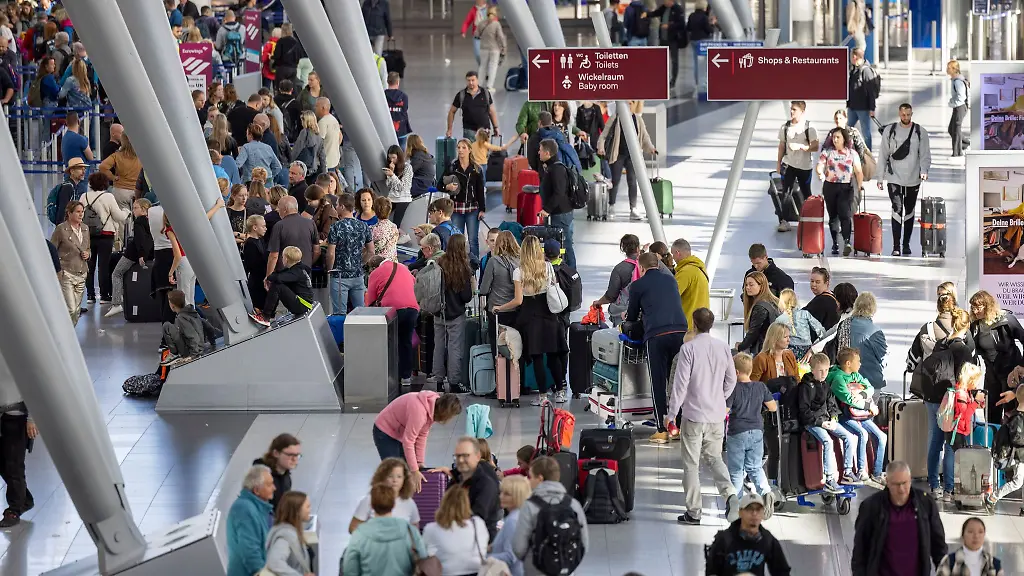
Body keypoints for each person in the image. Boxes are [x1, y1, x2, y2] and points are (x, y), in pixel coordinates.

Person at [669, 308, 740, 524]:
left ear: (694, 323)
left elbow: (680, 385)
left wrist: (671, 413)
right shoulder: (723, 348)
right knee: (715, 458)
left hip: (693, 415)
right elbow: (732, 379)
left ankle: (694, 512)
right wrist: (720, 397)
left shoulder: (688, 349)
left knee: (691, 464)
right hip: (716, 415)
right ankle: (730, 495)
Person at [492, 236, 570, 405]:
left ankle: (542, 396)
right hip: (550, 316)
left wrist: (500, 307)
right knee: (553, 356)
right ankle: (560, 392)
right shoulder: (548, 267)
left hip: (531, 319)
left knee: (537, 359)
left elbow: (518, 301)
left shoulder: (519, 272)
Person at [625, 252, 687, 443]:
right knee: (678, 381)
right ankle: (681, 425)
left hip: (656, 335)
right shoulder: (671, 280)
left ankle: (662, 429)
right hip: (679, 332)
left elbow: (632, 317)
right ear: (658, 265)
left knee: (658, 382)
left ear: (641, 268)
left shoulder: (637, 285)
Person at [916, 307, 974, 500]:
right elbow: (966, 379)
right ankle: (949, 488)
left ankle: (934, 485)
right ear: (966, 327)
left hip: (932, 398)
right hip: (950, 401)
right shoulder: (964, 350)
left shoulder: (940, 343)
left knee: (935, 440)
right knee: (950, 443)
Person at [851, 461, 947, 576]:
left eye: (904, 483)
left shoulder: (925, 504)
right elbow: (860, 550)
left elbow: (938, 544)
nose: (901, 489)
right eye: (896, 484)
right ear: (887, 482)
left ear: (910, 479)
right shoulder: (871, 507)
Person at [512, 456, 589, 576]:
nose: (528, 480)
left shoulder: (529, 505)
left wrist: (530, 562)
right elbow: (584, 543)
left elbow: (518, 547)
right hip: (566, 569)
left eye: (531, 477)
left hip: (536, 569)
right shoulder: (573, 504)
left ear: (540, 478)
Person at [372, 391, 463, 491]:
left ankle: (404, 500)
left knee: (406, 471)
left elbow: (422, 435)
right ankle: (384, 499)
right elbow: (409, 441)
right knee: (395, 472)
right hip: (384, 431)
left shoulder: (433, 405)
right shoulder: (419, 412)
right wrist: (415, 470)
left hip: (399, 432)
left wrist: (419, 462)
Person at [876, 102, 932, 256]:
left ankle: (906, 244)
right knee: (896, 209)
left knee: (909, 211)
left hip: (913, 178)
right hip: (894, 177)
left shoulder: (920, 132)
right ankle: (896, 246)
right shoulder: (890, 130)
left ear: (911, 114)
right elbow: (883, 155)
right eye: (903, 114)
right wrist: (880, 177)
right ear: (899, 114)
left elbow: (925, 154)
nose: (905, 117)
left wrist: (924, 170)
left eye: (908, 114)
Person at [726, 354, 778, 509]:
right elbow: (773, 407)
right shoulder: (760, 387)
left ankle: (736, 503)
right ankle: (766, 492)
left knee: (736, 470)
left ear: (735, 372)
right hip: (756, 432)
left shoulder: (733, 389)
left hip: (737, 433)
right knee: (755, 467)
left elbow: (725, 411)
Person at [828, 347, 887, 484]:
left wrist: (859, 393)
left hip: (860, 415)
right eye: (858, 361)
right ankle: (861, 471)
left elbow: (870, 388)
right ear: (848, 363)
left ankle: (877, 472)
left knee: (882, 437)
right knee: (863, 434)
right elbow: (849, 399)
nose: (860, 364)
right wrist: (868, 405)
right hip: (846, 416)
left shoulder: (856, 376)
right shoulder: (838, 379)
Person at [798, 353, 854, 494]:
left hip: (827, 420)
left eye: (826, 370)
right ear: (812, 370)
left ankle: (847, 471)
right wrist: (821, 423)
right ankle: (829, 479)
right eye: (820, 371)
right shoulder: (805, 387)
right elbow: (804, 411)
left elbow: (832, 405)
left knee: (848, 436)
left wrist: (834, 419)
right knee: (827, 441)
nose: (824, 374)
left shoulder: (826, 385)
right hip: (812, 422)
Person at [342, 484, 427, 576]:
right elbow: (423, 559)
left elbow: (349, 567)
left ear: (371, 505)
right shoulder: (409, 530)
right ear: (394, 504)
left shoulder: (360, 533)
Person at [596, 100, 657, 221]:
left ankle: (633, 208)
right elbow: (603, 135)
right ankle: (611, 205)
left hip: (633, 155)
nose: (628, 106)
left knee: (632, 181)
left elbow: (644, 136)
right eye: (626, 103)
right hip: (618, 154)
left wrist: (650, 148)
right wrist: (601, 147)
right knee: (616, 180)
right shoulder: (615, 118)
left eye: (630, 103)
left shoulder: (637, 119)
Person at [429, 234, 474, 394]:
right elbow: (466, 296)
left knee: (439, 346)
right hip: (456, 314)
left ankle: (438, 381)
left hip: (438, 312)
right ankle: (454, 382)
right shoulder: (463, 268)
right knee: (455, 347)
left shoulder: (440, 262)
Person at [969, 290, 1024, 421]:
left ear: (988, 306)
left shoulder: (1006, 320)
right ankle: (994, 440)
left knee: (1010, 411)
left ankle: (1011, 440)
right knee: (991, 409)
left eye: (978, 307)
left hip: (1010, 370)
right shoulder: (975, 325)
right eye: (973, 308)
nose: (975, 311)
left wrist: (1022, 365)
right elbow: (972, 350)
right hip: (991, 371)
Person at [705, 494, 791, 576]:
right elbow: (712, 571)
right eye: (749, 509)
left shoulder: (767, 539)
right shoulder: (725, 539)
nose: (754, 513)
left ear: (762, 513)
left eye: (758, 509)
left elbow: (782, 571)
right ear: (740, 512)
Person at [365, 257, 419, 386]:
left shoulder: (376, 273)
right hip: (412, 308)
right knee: (405, 341)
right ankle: (406, 377)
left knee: (388, 341)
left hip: (392, 310)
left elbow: (371, 299)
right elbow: (414, 285)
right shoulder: (403, 268)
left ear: (374, 267)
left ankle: (389, 375)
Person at [79, 172, 127, 306]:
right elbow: (118, 216)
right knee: (103, 266)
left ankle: (90, 295)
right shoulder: (108, 196)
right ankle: (105, 295)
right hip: (106, 235)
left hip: (88, 235)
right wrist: (126, 212)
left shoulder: (84, 196)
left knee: (90, 265)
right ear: (105, 183)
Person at [816, 127, 864, 256]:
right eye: (834, 137)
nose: (835, 139)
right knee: (833, 216)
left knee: (845, 214)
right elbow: (819, 165)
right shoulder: (827, 152)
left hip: (845, 187)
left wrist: (859, 186)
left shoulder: (852, 153)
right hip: (830, 186)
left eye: (838, 137)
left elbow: (858, 171)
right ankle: (835, 243)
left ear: (844, 139)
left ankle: (847, 241)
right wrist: (820, 172)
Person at [445, 437, 502, 541]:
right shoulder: (456, 481)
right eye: (457, 456)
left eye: (466, 455)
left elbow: (478, 517)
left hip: (479, 542)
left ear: (478, 456)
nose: (461, 460)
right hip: (455, 537)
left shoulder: (486, 483)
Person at [326, 193, 374, 314]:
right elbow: (371, 251)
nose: (336, 208)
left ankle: (341, 333)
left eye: (337, 205)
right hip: (357, 274)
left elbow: (331, 253)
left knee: (340, 313)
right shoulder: (363, 226)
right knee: (360, 312)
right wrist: (360, 263)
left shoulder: (336, 227)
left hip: (339, 275)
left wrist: (329, 269)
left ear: (342, 207)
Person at [106, 198, 154, 318]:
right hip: (147, 253)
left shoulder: (138, 222)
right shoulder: (152, 221)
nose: (133, 211)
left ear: (144, 209)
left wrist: (141, 254)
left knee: (117, 273)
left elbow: (140, 239)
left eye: (136, 208)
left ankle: (116, 302)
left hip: (132, 254)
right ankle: (119, 295)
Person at [776, 101, 819, 232]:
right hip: (789, 164)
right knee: (786, 192)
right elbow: (782, 146)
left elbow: (816, 145)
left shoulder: (809, 127)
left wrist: (802, 147)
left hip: (805, 166)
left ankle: (810, 219)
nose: (792, 112)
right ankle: (784, 220)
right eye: (791, 109)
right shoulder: (785, 127)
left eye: (794, 110)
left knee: (806, 193)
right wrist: (778, 163)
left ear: (802, 111)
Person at [440, 139, 486, 259]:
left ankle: (474, 266)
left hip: (472, 208)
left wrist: (482, 209)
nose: (460, 150)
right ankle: (457, 265)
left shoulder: (476, 169)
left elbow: (480, 190)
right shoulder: (452, 167)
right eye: (459, 147)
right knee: (456, 240)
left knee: (473, 240)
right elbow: (439, 185)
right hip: (456, 208)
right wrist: (447, 187)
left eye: (464, 147)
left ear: (470, 150)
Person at [226, 465, 275, 576]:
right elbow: (250, 552)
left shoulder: (259, 508)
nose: (274, 488)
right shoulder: (244, 509)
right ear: (256, 490)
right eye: (269, 484)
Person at [349, 458, 420, 533]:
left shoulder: (409, 503)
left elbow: (415, 531)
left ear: (404, 479)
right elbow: (353, 528)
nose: (394, 480)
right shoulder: (369, 500)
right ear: (382, 477)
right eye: (390, 476)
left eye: (399, 477)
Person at [536, 139, 577, 268]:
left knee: (565, 245)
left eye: (541, 150)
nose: (538, 152)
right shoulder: (551, 168)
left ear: (548, 153)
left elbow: (559, 192)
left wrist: (547, 209)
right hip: (561, 213)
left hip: (561, 214)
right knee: (564, 244)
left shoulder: (556, 169)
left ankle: (571, 272)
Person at [480, 230, 521, 359]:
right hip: (516, 309)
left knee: (497, 345)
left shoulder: (493, 261)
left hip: (496, 310)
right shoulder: (520, 261)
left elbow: (484, 289)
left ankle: (499, 376)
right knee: (514, 344)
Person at [51, 201, 90, 326]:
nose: (81, 214)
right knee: (71, 309)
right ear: (69, 213)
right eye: (78, 212)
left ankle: (68, 335)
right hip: (66, 272)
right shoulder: (61, 229)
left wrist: (88, 254)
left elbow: (88, 248)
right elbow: (52, 249)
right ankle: (64, 336)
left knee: (76, 311)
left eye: (82, 211)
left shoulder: (85, 228)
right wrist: (57, 270)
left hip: (82, 272)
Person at [986, 384, 1024, 510]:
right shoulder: (1017, 418)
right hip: (1019, 456)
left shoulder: (1015, 415)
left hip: (1020, 455)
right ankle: (993, 498)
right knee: (1017, 482)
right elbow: (1016, 438)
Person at [592, 234, 642, 326]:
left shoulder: (620, 269)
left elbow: (611, 296)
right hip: (644, 309)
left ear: (623, 249)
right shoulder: (648, 264)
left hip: (623, 311)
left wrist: (599, 302)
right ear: (638, 248)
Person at [258, 246, 314, 323]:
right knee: (277, 283)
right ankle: (268, 313)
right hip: (304, 304)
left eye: (282, 257)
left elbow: (277, 278)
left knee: (277, 286)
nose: (282, 259)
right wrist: (269, 277)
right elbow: (277, 274)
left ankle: (266, 316)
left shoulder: (296, 272)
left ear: (286, 259)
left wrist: (268, 278)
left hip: (302, 305)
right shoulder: (299, 268)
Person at [263, 491, 313, 576]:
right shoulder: (284, 537)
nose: (310, 510)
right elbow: (275, 562)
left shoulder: (291, 532)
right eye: (307, 507)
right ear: (297, 510)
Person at [266, 196, 320, 275]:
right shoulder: (310, 223)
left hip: (284, 274)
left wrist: (268, 276)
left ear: (285, 209)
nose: (277, 210)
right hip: (305, 273)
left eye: (279, 207)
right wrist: (308, 264)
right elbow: (317, 251)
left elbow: (274, 255)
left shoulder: (279, 226)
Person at [158, 289, 212, 366]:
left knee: (166, 326)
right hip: (199, 346)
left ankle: (174, 354)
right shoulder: (192, 312)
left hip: (192, 351)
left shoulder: (181, 318)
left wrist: (193, 355)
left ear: (172, 305)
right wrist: (212, 342)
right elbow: (208, 326)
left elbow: (192, 336)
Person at [847, 292, 887, 393]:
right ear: (873, 308)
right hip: (869, 382)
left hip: (847, 380)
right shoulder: (875, 332)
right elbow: (883, 358)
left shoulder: (844, 326)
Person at [935, 517, 1004, 576]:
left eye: (980, 532)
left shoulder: (993, 564)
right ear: (963, 535)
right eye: (970, 532)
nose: (976, 536)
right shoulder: (950, 561)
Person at [489, 475, 528, 576]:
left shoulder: (513, 521)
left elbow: (511, 556)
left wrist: (484, 558)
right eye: (501, 492)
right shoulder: (520, 516)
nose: (501, 496)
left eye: (507, 494)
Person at [446, 71, 500, 141]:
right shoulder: (461, 95)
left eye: (473, 80)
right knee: (471, 151)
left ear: (477, 80)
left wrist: (496, 127)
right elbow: (452, 112)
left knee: (484, 151)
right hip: (469, 131)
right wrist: (449, 129)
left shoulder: (485, 93)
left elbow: (491, 111)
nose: (471, 83)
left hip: (485, 131)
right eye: (468, 80)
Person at [736, 271, 781, 355]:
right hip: (775, 347)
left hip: (763, 349)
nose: (747, 288)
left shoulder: (760, 307)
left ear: (761, 286)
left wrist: (740, 346)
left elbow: (753, 333)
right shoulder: (774, 302)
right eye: (746, 285)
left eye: (751, 285)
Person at [670, 238, 709, 330]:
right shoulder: (699, 269)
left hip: (688, 326)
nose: (672, 258)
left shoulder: (685, 272)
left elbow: (671, 296)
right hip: (701, 325)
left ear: (678, 253)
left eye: (673, 254)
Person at [97, 132, 142, 211]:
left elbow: (102, 167)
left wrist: (113, 177)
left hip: (120, 190)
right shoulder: (142, 156)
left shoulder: (117, 155)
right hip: (137, 191)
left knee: (122, 219)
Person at [774, 289, 825, 358]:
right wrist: (818, 344)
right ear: (796, 300)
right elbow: (820, 330)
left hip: (789, 350)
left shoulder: (779, 319)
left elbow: (775, 338)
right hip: (807, 349)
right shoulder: (805, 314)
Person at [648, 0, 686, 90]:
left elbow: (681, 24)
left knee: (674, 60)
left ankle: (673, 81)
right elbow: (656, 13)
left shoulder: (678, 9)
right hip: (663, 38)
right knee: (662, 60)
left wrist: (669, 26)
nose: (664, 2)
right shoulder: (664, 8)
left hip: (673, 39)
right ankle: (662, 79)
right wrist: (647, 14)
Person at [846, 49, 878, 152]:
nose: (850, 58)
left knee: (866, 132)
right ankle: (847, 150)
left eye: (851, 56)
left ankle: (868, 153)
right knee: (847, 129)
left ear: (855, 57)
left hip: (863, 108)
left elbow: (871, 91)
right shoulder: (854, 69)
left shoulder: (866, 71)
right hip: (852, 106)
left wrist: (872, 108)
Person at [164, 213, 197, 308]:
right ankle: (193, 320)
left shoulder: (170, 231)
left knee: (183, 297)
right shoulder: (185, 226)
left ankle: (185, 321)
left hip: (183, 262)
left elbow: (177, 255)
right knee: (190, 296)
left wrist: (170, 273)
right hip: (192, 260)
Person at [476, 8, 506, 91]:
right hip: (494, 49)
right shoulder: (496, 24)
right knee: (493, 67)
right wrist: (504, 47)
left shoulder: (481, 23)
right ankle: (489, 86)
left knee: (482, 67)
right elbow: (501, 37)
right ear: (495, 15)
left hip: (483, 48)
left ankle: (479, 85)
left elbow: (476, 34)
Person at [290, 113, 326, 179]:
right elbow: (322, 156)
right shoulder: (318, 135)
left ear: (306, 121)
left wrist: (290, 164)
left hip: (303, 169)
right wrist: (324, 173)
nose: (301, 123)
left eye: (302, 120)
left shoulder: (304, 133)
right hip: (314, 169)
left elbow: (296, 150)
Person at [947, 60, 970, 158]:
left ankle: (957, 153)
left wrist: (952, 103)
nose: (947, 69)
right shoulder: (955, 80)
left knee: (956, 129)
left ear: (954, 69)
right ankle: (965, 144)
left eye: (949, 68)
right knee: (951, 129)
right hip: (958, 106)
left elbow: (961, 97)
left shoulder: (957, 81)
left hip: (960, 106)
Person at [370, 196, 400, 262]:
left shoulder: (372, 229)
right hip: (393, 263)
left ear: (375, 210)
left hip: (378, 265)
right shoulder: (394, 227)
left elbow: (370, 250)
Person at [407, 134, 437, 198]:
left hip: (421, 184)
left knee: (401, 187)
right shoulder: (425, 154)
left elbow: (409, 171)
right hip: (429, 182)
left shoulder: (418, 156)